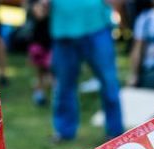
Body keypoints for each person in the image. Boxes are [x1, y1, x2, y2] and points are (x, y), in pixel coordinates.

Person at [49, 0, 123, 141]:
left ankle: (115, 132)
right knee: (63, 85)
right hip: (63, 29)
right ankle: (64, 132)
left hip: (97, 26)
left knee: (109, 82)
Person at [27, 0, 53, 106]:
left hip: (53, 43)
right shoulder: (37, 3)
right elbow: (39, 15)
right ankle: (39, 94)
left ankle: (55, 95)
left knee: (54, 71)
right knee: (40, 71)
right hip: (40, 43)